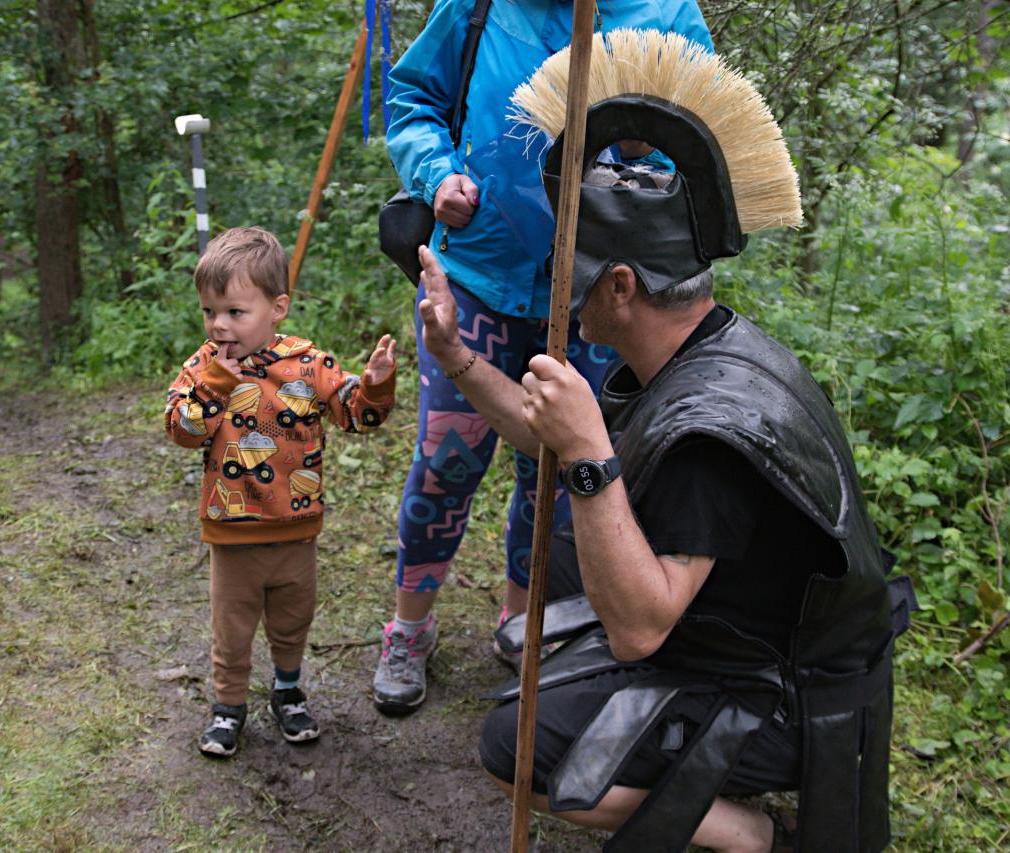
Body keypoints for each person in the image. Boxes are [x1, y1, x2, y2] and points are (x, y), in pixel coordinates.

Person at [420, 32, 913, 853]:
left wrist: (589, 456)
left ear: (621, 285)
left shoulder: (709, 433)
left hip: (781, 696)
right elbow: (548, 436)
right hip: (738, 640)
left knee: (515, 749)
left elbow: (639, 631)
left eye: (573, 272)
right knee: (548, 596)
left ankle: (751, 835)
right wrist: (456, 358)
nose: (562, 295)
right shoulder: (702, 348)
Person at [373, 0, 716, 716]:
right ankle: (409, 626)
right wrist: (437, 174)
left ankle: (525, 622)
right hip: (478, 280)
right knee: (445, 462)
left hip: (599, 298)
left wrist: (634, 160)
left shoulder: (665, 12)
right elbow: (413, 99)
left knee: (560, 475)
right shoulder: (480, 4)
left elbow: (704, 150)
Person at [164, 227, 398, 756]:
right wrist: (217, 385)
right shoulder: (202, 368)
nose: (219, 325)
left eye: (235, 312)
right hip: (233, 531)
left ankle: (288, 692)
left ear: (277, 309)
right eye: (209, 312)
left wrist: (376, 384)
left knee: (293, 621)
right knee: (232, 629)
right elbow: (181, 430)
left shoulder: (309, 364)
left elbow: (356, 415)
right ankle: (228, 707)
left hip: (296, 529)